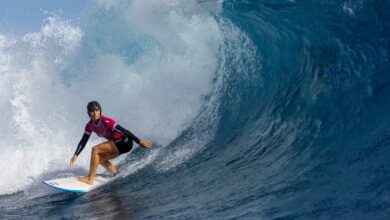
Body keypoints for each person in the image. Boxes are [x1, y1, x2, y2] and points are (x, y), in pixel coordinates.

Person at [69, 101, 152, 185]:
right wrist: (76, 154)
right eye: (92, 111)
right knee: (99, 159)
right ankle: (116, 173)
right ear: (88, 113)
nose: (95, 113)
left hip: (124, 142)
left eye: (97, 110)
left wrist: (139, 141)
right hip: (117, 145)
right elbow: (84, 140)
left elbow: (124, 131)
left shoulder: (107, 121)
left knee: (95, 149)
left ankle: (90, 179)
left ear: (100, 111)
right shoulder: (89, 125)